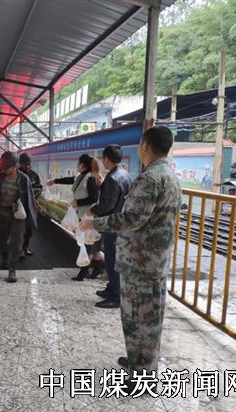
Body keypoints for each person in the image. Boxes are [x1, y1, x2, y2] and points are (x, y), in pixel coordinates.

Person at [79, 126, 182, 386]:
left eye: (139, 144)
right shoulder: (168, 174)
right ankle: (140, 362)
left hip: (141, 261)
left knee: (138, 318)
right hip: (154, 259)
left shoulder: (150, 179)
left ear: (145, 145)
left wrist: (94, 223)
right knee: (148, 316)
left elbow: (132, 218)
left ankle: (142, 376)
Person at [86, 145, 132, 309]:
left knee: (112, 260)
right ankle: (112, 288)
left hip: (112, 225)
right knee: (114, 258)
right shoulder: (125, 174)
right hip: (121, 224)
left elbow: (108, 205)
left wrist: (93, 210)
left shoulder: (112, 178)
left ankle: (116, 296)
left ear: (106, 159)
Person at [47, 154, 103, 281]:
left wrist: (78, 202)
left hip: (89, 216)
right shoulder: (81, 176)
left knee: (86, 243)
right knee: (92, 243)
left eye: (78, 163)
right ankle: (97, 269)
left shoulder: (90, 178)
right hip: (83, 214)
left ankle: (84, 272)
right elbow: (70, 180)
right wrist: (54, 181)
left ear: (82, 165)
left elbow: (94, 198)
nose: (77, 166)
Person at [0, 151, 37, 283]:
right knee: (1, 241)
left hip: (17, 215)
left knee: (16, 242)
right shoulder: (0, 177)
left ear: (15, 166)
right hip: (1, 213)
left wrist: (30, 219)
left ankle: (12, 270)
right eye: (3, 168)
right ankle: (5, 259)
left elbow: (30, 200)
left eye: (8, 168)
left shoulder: (24, 179)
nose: (5, 171)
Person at [18, 153, 43, 257]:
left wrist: (37, 192)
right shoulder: (17, 175)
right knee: (18, 229)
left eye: (29, 164)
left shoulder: (34, 175)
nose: (28, 166)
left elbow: (39, 187)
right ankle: (18, 248)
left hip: (31, 206)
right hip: (19, 206)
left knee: (29, 229)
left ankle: (25, 247)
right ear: (20, 164)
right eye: (25, 164)